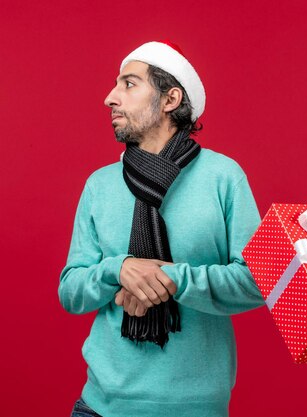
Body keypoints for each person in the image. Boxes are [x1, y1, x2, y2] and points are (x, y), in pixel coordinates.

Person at [59, 40, 264, 417]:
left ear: (170, 99)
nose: (110, 98)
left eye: (129, 84)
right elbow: (71, 291)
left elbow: (258, 282)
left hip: (196, 405)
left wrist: (170, 279)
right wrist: (118, 269)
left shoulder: (224, 178)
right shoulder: (99, 185)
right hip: (102, 404)